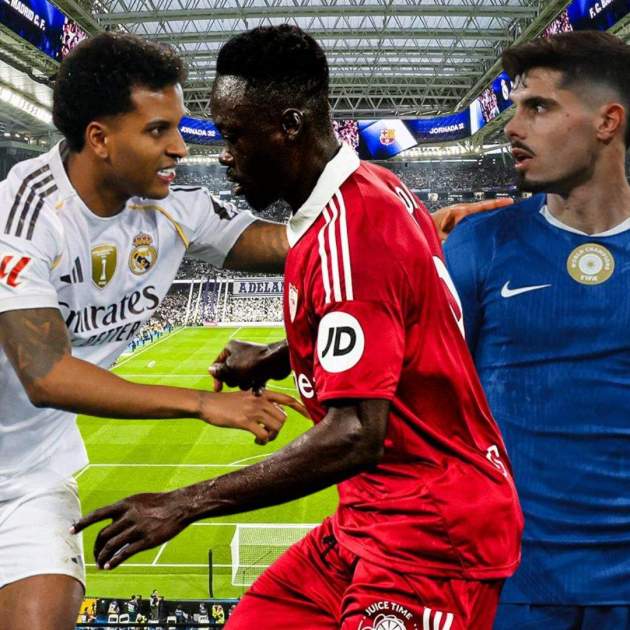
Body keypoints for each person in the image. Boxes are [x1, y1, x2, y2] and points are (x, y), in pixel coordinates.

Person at [73, 25, 523, 630]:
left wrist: (184, 502)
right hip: (369, 514)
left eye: (234, 135)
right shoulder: (373, 189)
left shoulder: (350, 234)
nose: (224, 156)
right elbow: (388, 317)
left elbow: (355, 432)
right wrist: (278, 354)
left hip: (432, 531)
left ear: (288, 126)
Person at [0, 32, 307, 630]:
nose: (180, 148)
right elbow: (47, 375)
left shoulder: (174, 208)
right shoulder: (24, 216)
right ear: (100, 139)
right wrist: (202, 404)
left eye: (179, 127)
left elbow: (294, 245)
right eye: (158, 130)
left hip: (32, 475)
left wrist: (417, 227)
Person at [443, 31, 630, 630]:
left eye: (539, 107)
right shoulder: (478, 245)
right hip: (512, 584)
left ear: (607, 122)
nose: (513, 127)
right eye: (514, 108)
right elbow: (409, 370)